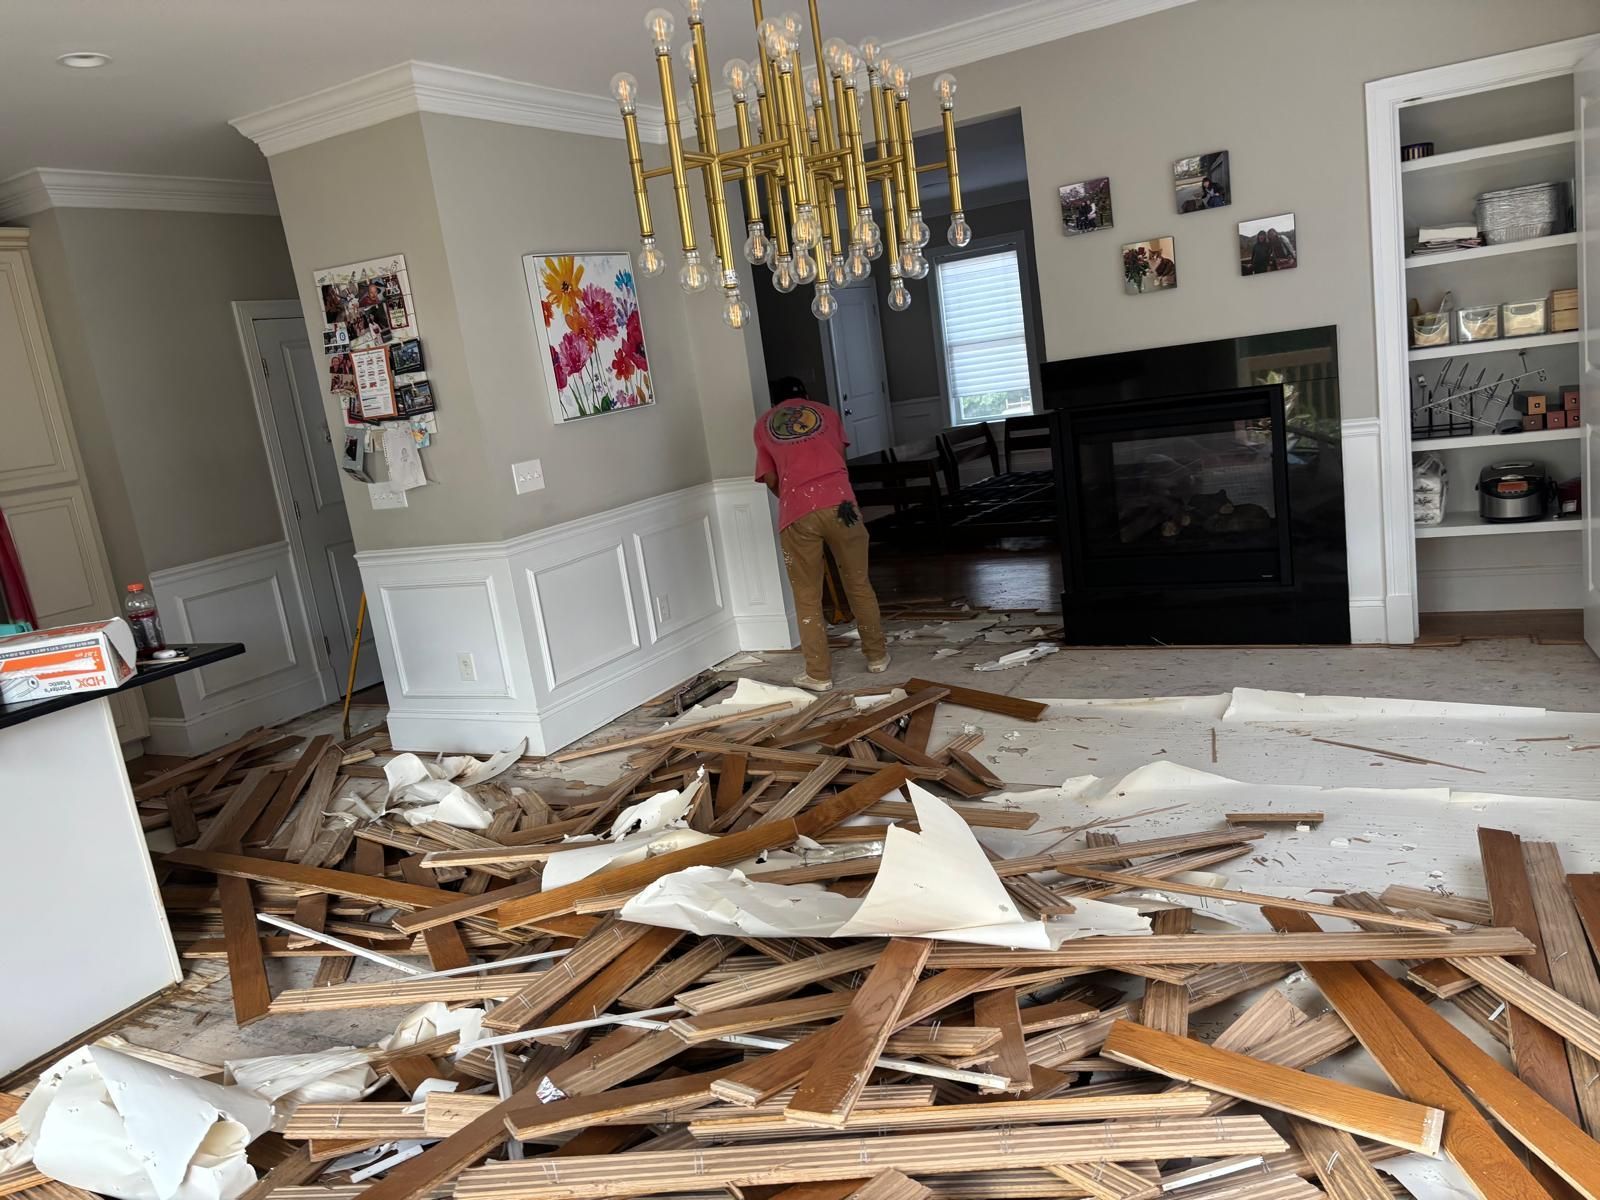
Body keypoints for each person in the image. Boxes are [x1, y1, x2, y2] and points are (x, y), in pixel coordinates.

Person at [753, 377, 889, 691]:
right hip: (842, 505)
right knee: (858, 582)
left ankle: (818, 674)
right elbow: (840, 459)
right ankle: (876, 656)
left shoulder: (763, 424)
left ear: (775, 403)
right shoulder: (826, 413)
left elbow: (771, 477)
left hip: (798, 511)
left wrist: (793, 497)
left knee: (807, 596)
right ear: (806, 396)